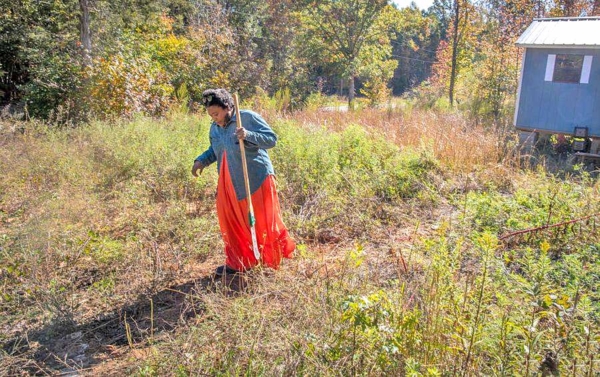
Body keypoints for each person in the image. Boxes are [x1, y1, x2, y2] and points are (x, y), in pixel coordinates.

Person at [191, 88, 295, 276]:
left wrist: (247, 135)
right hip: (229, 180)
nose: (214, 118)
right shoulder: (214, 128)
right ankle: (239, 261)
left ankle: (269, 260)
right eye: (210, 114)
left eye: (216, 113)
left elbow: (271, 140)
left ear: (228, 107)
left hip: (255, 177)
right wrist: (201, 161)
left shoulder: (246, 117)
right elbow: (215, 150)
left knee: (261, 220)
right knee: (233, 222)